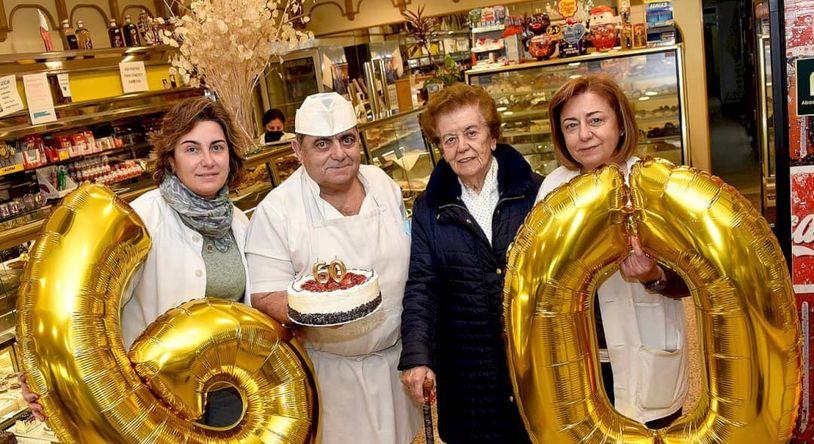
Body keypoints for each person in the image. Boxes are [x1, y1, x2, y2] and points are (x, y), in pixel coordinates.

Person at [22, 97, 251, 427]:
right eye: (191, 149)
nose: (207, 160)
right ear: (171, 159)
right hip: (157, 400)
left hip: (232, 392)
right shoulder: (142, 220)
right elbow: (79, 312)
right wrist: (47, 381)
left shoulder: (239, 222)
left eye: (217, 147)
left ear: (230, 155)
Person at [244, 92, 420, 444]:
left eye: (347, 139)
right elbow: (264, 295)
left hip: (398, 365)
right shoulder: (277, 211)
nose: (339, 153)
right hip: (331, 376)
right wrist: (320, 312)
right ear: (298, 151)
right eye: (322, 144)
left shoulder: (383, 185)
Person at [537, 74, 689, 428]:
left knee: (649, 430)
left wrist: (653, 276)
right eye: (571, 125)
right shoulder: (552, 187)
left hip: (645, 351)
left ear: (621, 123)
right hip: (584, 356)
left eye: (596, 120)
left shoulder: (653, 184)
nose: (584, 135)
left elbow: (693, 280)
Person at [399, 83, 542, 443]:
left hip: (532, 363)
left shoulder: (536, 193)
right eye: (449, 139)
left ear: (492, 137)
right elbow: (422, 286)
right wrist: (417, 355)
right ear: (441, 149)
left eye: (471, 132)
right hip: (467, 369)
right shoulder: (429, 209)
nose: (462, 147)